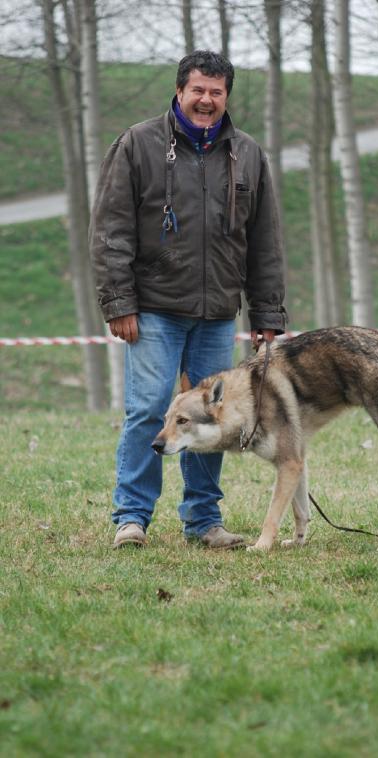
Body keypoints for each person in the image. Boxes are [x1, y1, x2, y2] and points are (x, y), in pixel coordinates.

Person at [89, 50, 286, 549]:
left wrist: (267, 313)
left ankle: (204, 521)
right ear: (180, 91)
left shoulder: (248, 153)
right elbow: (111, 228)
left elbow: (264, 241)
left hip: (218, 314)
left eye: (216, 92)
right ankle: (131, 517)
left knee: (210, 420)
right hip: (152, 309)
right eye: (198, 89)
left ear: (227, 97)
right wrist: (119, 302)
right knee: (149, 409)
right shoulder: (137, 144)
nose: (206, 100)